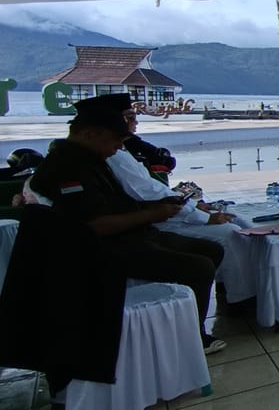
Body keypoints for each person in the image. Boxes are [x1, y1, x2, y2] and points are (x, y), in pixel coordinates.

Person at [28, 104, 227, 355]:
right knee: (199, 266)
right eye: (116, 140)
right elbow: (95, 224)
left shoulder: (92, 158)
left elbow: (115, 202)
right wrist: (153, 214)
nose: (119, 147)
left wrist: (158, 207)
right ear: (90, 134)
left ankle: (183, 320)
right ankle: (190, 339)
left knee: (211, 250)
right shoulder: (67, 167)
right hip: (99, 249)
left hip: (129, 235)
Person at [79, 94, 233, 227]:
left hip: (159, 212)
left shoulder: (123, 149)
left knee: (234, 222)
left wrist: (194, 205)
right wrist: (202, 216)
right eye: (131, 118)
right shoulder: (114, 155)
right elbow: (145, 192)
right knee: (230, 232)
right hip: (154, 221)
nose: (136, 123)